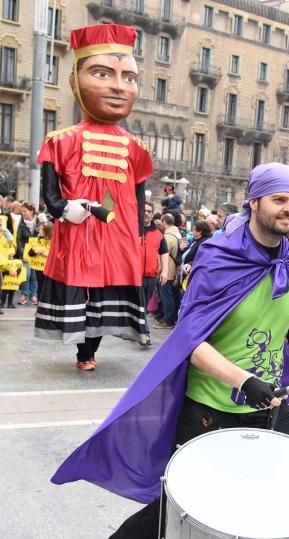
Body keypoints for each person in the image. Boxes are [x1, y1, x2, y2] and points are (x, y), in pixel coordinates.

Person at [48, 162, 289, 539]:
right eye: (279, 200)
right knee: (173, 509)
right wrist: (242, 380)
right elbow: (191, 341)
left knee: (270, 504)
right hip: (210, 408)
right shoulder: (219, 256)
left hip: (269, 406)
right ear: (254, 202)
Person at [34, 24, 154, 368]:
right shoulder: (62, 139)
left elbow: (138, 192)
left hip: (118, 241)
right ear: (75, 80)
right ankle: (82, 351)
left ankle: (91, 351)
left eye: (129, 77)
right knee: (83, 297)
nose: (119, 86)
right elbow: (50, 189)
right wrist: (61, 209)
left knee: (104, 301)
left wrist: (139, 236)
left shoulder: (137, 147)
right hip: (79, 236)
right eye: (102, 73)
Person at [137, 201, 166, 347]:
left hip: (151, 276)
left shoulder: (158, 234)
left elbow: (164, 252)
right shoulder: (133, 230)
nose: (146, 213)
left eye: (149, 211)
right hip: (135, 276)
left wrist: (165, 271)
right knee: (141, 304)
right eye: (144, 210)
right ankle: (145, 334)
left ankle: (139, 330)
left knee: (144, 305)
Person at [154, 213, 182, 329]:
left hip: (167, 272)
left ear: (164, 222)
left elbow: (162, 256)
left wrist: (158, 271)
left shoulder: (167, 237)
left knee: (167, 297)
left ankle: (168, 320)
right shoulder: (179, 235)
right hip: (176, 272)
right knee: (175, 296)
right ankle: (174, 318)